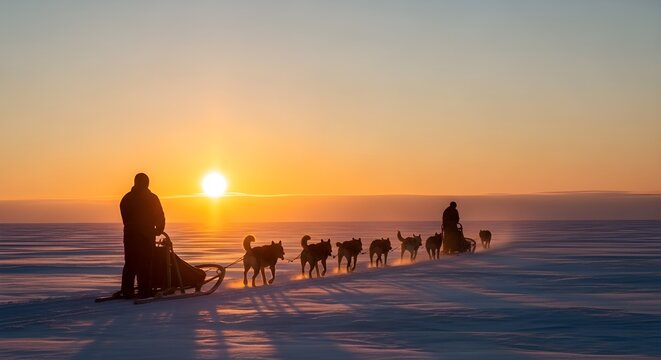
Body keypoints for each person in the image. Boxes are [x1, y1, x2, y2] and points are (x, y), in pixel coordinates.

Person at [120, 173, 165, 299]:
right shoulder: (151, 198)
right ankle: (144, 290)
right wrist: (159, 229)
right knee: (144, 263)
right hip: (145, 235)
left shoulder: (126, 198)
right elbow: (159, 215)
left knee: (130, 263)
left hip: (130, 235)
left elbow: (125, 218)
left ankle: (127, 290)